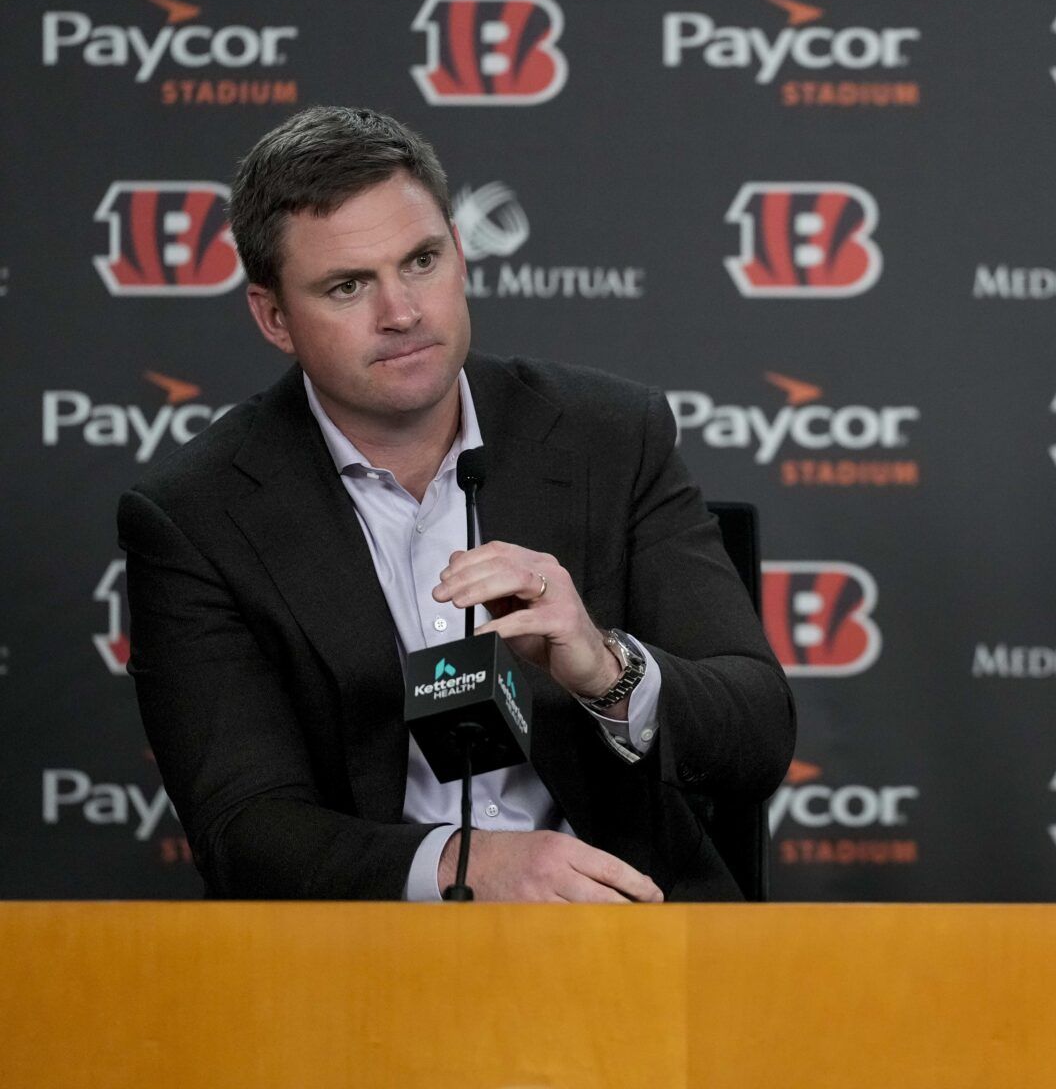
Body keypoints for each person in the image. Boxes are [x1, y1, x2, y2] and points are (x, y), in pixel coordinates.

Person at [119, 106, 794, 901]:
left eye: (422, 261)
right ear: (274, 317)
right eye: (347, 286)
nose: (401, 312)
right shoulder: (197, 516)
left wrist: (605, 668)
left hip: (630, 932)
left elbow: (756, 736)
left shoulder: (609, 438)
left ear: (461, 258)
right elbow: (244, 829)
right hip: (369, 963)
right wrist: (460, 868)